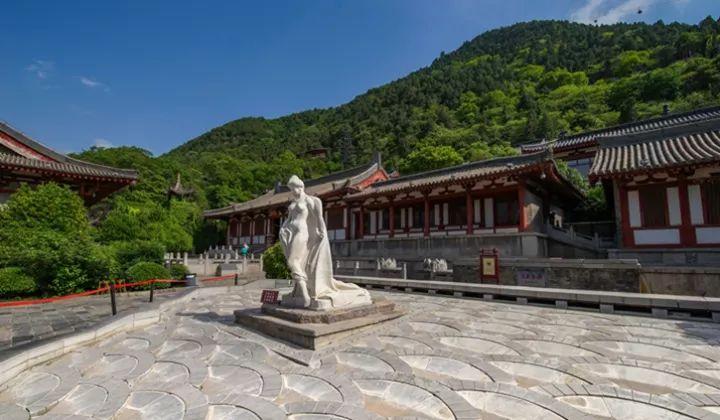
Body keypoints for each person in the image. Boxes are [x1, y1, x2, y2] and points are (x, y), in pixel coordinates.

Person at [279, 175, 371, 310]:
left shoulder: (311, 200)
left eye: (294, 188)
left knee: (293, 261)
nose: (292, 191)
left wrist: (322, 231)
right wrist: (283, 228)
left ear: (301, 187)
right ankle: (301, 290)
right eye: (291, 189)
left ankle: (304, 294)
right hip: (290, 234)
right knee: (299, 263)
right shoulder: (293, 202)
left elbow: (319, 218)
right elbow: (289, 219)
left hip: (301, 233)